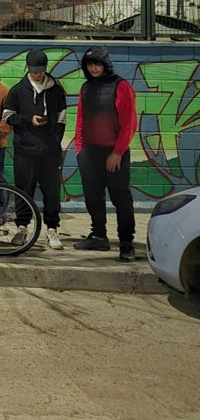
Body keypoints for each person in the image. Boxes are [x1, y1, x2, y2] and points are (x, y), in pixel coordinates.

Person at [72, 46, 138, 261]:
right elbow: (80, 120)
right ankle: (99, 236)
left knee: (121, 199)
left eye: (97, 64)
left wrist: (117, 153)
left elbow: (129, 123)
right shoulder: (85, 88)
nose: (93, 68)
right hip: (90, 154)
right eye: (89, 64)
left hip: (114, 155)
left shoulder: (121, 86)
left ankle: (126, 244)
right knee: (93, 198)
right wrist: (80, 149)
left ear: (105, 64)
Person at [2, 49, 68, 250]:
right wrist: (28, 120)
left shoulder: (56, 90)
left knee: (52, 191)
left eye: (40, 70)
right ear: (28, 68)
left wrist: (54, 142)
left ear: (45, 69)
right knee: (23, 190)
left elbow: (62, 119)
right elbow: (7, 116)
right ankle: (22, 228)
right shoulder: (17, 90)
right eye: (33, 70)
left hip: (49, 152)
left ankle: (52, 229)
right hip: (24, 150)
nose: (36, 74)